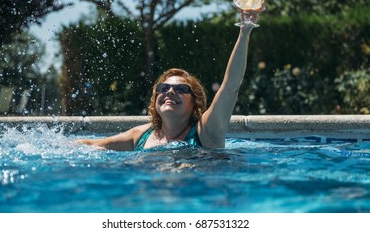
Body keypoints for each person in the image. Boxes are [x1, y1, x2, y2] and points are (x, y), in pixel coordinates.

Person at [77, 8, 263, 151]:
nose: (170, 91)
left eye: (181, 89)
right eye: (163, 88)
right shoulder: (140, 136)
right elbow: (92, 145)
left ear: (195, 102)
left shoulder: (206, 132)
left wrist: (245, 30)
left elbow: (230, 86)